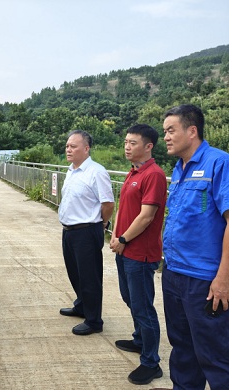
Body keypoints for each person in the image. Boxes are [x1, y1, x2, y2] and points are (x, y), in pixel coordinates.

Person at [157, 104, 229, 390]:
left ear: (192, 130)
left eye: (171, 130)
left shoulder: (219, 163)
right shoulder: (178, 170)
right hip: (174, 273)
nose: (166, 137)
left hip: (204, 279)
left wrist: (223, 279)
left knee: (214, 355)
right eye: (164, 132)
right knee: (182, 351)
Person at [109, 124, 167, 385]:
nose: (127, 146)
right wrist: (114, 234)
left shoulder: (153, 174)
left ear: (149, 146)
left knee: (143, 307)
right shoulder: (133, 172)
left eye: (133, 142)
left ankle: (151, 362)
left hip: (140, 253)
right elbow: (123, 207)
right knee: (129, 297)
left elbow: (147, 216)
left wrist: (123, 239)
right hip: (124, 249)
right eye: (125, 142)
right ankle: (140, 340)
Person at [58, 130, 115, 335]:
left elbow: (108, 203)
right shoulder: (71, 170)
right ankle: (81, 305)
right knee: (75, 273)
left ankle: (93, 320)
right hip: (69, 230)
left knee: (90, 277)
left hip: (87, 230)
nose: (68, 149)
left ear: (86, 148)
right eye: (67, 146)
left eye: (73, 146)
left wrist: (102, 223)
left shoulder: (96, 171)